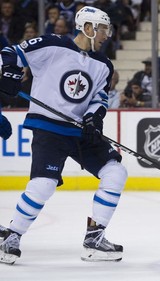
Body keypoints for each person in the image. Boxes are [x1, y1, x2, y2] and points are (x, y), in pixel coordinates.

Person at [0, 6, 128, 265]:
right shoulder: (52, 44)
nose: (106, 34)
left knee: (115, 172)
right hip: (49, 127)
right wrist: (10, 74)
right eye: (103, 29)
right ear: (88, 28)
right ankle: (11, 236)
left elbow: (99, 97)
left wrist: (94, 117)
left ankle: (95, 238)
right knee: (44, 184)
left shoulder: (103, 64)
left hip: (79, 130)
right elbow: (10, 53)